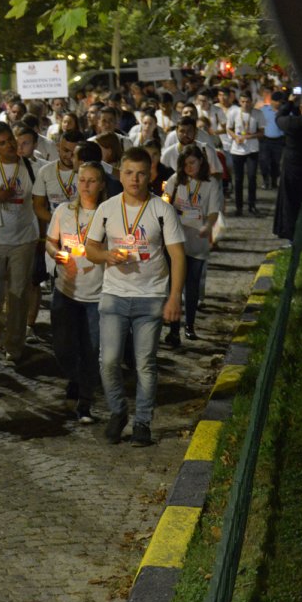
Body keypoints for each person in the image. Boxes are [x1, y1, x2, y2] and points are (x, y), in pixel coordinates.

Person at [84, 148, 186, 447]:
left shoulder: (161, 210)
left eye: (141, 173)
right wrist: (106, 255)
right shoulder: (108, 208)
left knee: (145, 363)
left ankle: (142, 422)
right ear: (119, 173)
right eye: (129, 173)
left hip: (151, 295)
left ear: (150, 174)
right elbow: (90, 248)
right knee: (109, 361)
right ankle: (118, 411)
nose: (135, 179)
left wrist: (174, 297)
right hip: (114, 294)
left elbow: (178, 256)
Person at [45, 163, 107, 423]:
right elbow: (50, 241)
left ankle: (85, 401)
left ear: (101, 185)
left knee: (91, 349)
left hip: (96, 293)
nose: (86, 185)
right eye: (82, 180)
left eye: (92, 180)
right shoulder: (63, 211)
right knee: (63, 346)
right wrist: (55, 253)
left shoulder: (108, 216)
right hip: (66, 290)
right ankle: (75, 377)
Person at [0, 122, 38, 362]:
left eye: (11, 139)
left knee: (18, 293)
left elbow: (39, 202)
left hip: (25, 239)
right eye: (2, 143)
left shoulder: (33, 168)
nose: (10, 145)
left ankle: (15, 343)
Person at [163, 145, 221, 342]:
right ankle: (173, 330)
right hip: (176, 238)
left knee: (192, 284)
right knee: (175, 285)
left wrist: (208, 226)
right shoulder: (175, 180)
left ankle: (189, 325)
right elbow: (165, 203)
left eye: (192, 163)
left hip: (197, 238)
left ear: (201, 162)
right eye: (185, 163)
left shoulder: (210, 183)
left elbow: (214, 210)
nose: (189, 167)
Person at [273, 96, 302, 241]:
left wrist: (289, 102)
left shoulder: (293, 123)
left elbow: (279, 117)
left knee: (291, 202)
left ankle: (292, 235)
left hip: (293, 167)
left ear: (301, 108)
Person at [226, 90, 264, 216]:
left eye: (248, 101)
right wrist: (235, 137)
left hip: (252, 149)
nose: (245, 104)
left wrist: (249, 136)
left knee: (252, 178)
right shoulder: (233, 112)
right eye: (243, 101)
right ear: (239, 101)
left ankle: (252, 205)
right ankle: (239, 207)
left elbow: (261, 133)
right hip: (237, 150)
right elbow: (229, 128)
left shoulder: (257, 113)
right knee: (238, 179)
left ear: (251, 102)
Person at [257, 89, 285, 190]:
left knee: (275, 163)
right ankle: (265, 180)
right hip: (265, 140)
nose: (279, 104)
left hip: (279, 141)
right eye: (278, 101)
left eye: (281, 102)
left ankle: (273, 181)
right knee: (264, 161)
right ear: (272, 101)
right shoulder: (264, 110)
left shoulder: (284, 111)